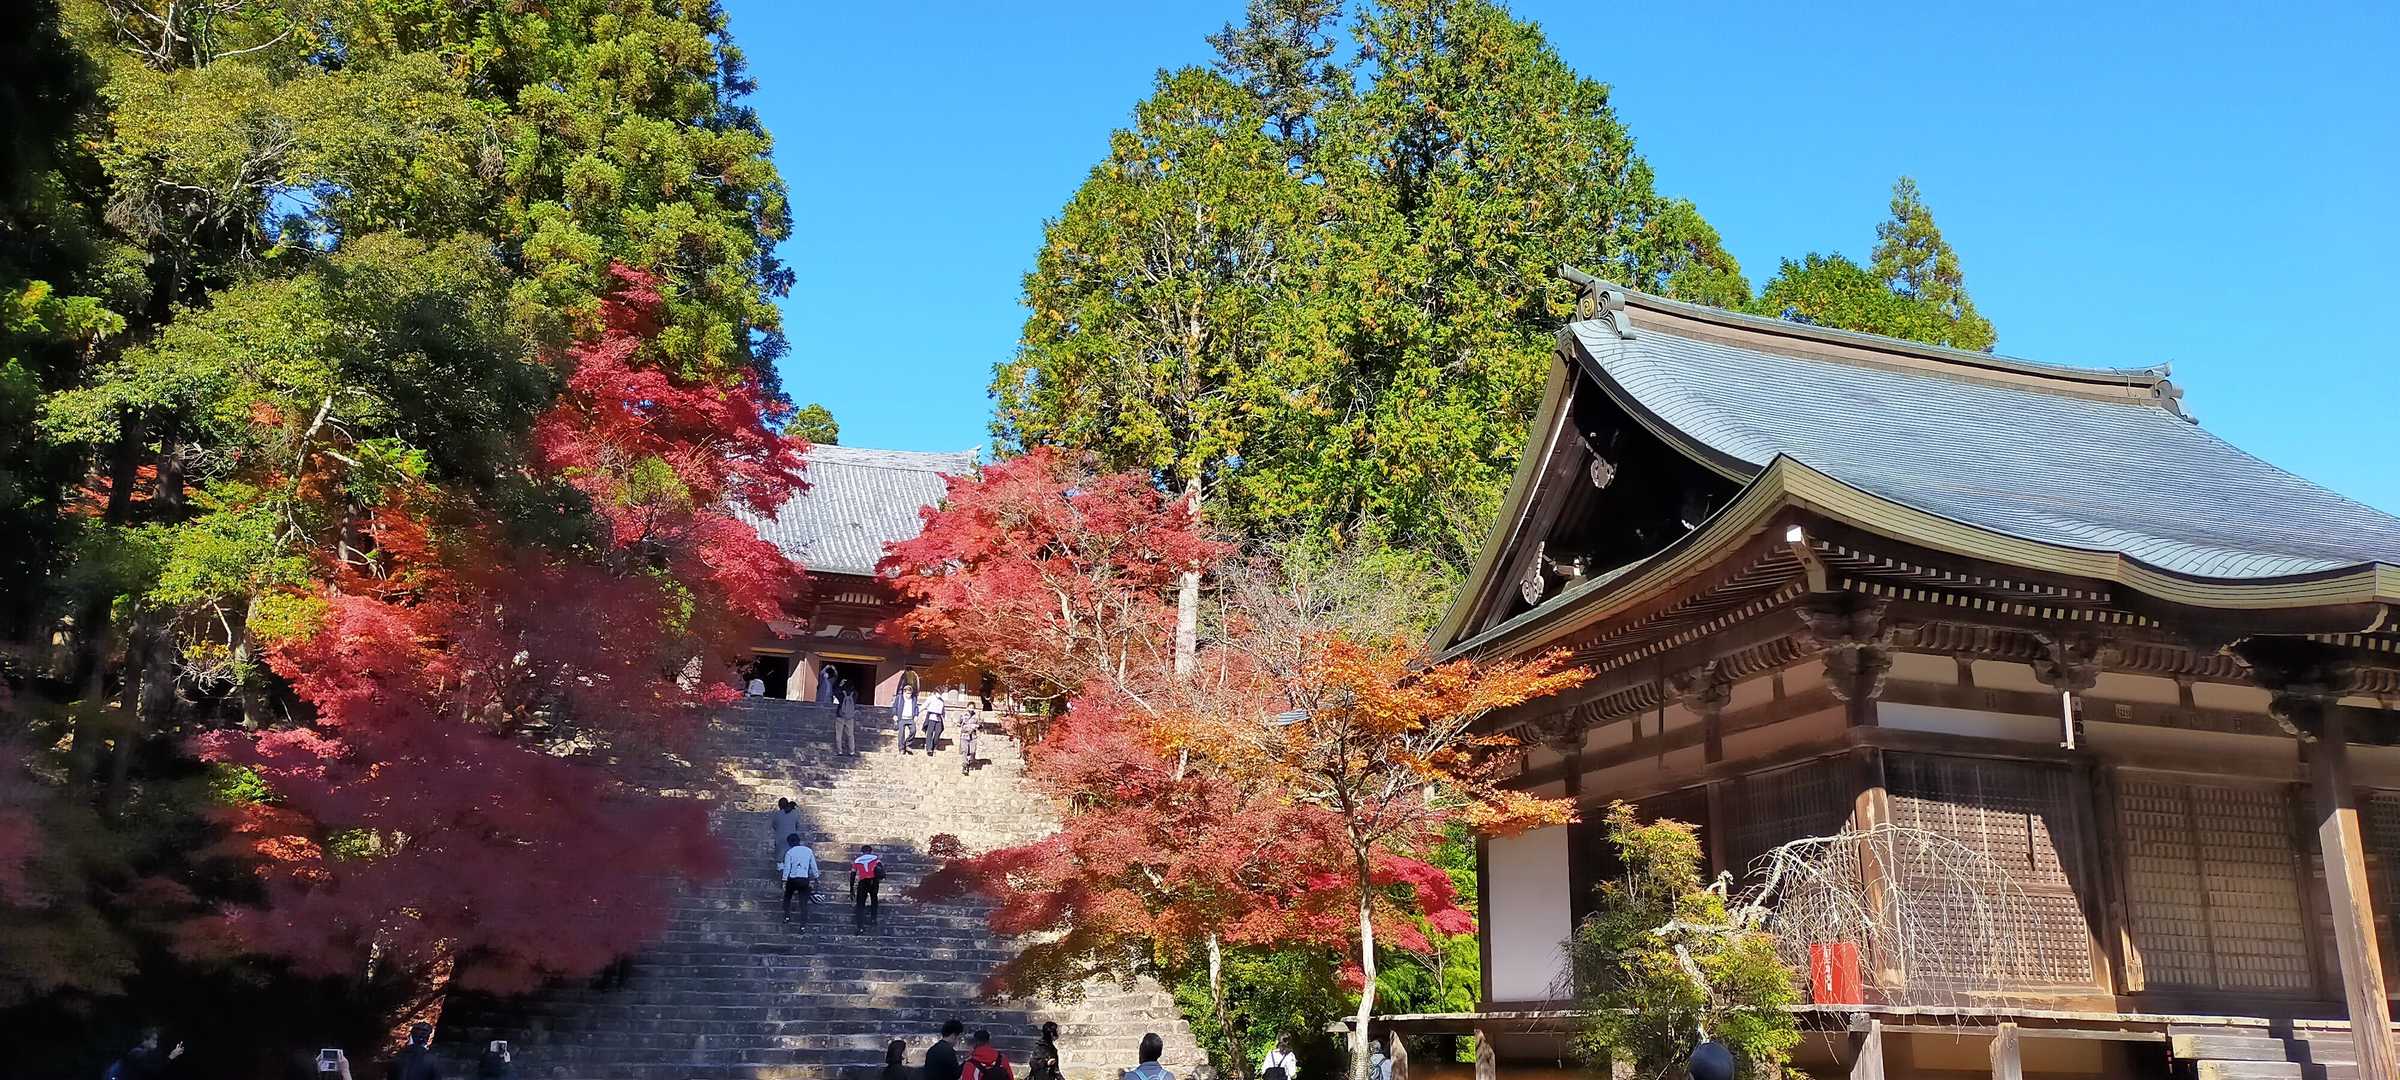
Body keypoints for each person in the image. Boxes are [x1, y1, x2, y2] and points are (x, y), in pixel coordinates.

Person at [113, 1029, 185, 1079]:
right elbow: (154, 1070)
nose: (156, 1042)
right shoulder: (137, 1053)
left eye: (157, 1039)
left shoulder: (143, 1052)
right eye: (154, 1039)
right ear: (145, 1040)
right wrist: (171, 1056)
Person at [781, 833, 819, 924]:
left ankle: (787, 916)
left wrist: (784, 880)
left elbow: (787, 868)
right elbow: (813, 866)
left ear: (789, 843)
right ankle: (803, 924)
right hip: (804, 879)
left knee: (787, 898)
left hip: (793, 879)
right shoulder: (808, 851)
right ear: (799, 841)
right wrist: (816, 877)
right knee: (803, 902)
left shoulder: (789, 852)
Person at [851, 844, 883, 927]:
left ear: (862, 852)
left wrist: (851, 888)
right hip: (874, 881)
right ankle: (873, 919)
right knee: (874, 899)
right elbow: (881, 869)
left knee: (860, 904)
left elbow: (853, 874)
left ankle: (860, 926)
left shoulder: (857, 860)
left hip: (863, 882)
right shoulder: (875, 858)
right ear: (871, 851)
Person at [769, 798, 801, 867]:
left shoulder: (777, 814)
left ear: (780, 806)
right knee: (792, 860)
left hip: (780, 841)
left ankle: (781, 871)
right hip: (792, 841)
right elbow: (798, 826)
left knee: (780, 860)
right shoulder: (795, 813)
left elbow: (774, 826)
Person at [833, 683, 859, 756]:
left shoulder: (841, 694)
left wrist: (840, 686)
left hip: (840, 716)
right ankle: (851, 751)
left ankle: (839, 751)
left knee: (839, 734)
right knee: (850, 735)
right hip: (850, 717)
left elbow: (835, 691)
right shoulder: (855, 694)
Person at [920, 688, 947, 752]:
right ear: (936, 692)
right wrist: (917, 711)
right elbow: (924, 705)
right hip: (931, 717)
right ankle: (929, 748)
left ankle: (933, 745)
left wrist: (945, 717)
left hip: (938, 718)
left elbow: (943, 710)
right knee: (930, 732)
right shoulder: (931, 698)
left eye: (941, 693)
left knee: (938, 732)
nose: (939, 694)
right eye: (939, 692)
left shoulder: (942, 701)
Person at [957, 704, 980, 775]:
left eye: (972, 707)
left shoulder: (977, 716)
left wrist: (976, 726)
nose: (971, 709)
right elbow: (958, 723)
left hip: (973, 736)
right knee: (965, 750)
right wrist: (962, 727)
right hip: (964, 735)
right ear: (967, 707)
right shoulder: (963, 715)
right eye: (970, 707)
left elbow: (980, 725)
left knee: (972, 751)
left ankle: (970, 761)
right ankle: (965, 765)